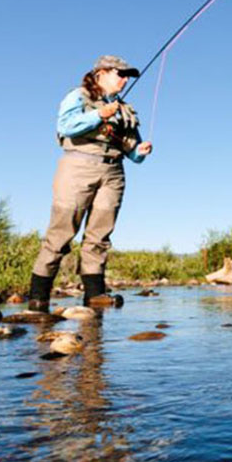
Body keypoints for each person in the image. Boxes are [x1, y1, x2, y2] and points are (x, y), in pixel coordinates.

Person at [28, 56, 153, 310]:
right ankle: (38, 297)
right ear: (101, 73)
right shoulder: (78, 96)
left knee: (100, 235)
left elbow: (133, 154)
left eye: (127, 75)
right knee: (61, 233)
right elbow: (65, 125)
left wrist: (140, 150)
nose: (125, 79)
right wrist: (99, 114)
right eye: (121, 73)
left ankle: (94, 295)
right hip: (78, 166)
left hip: (114, 172)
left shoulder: (125, 108)